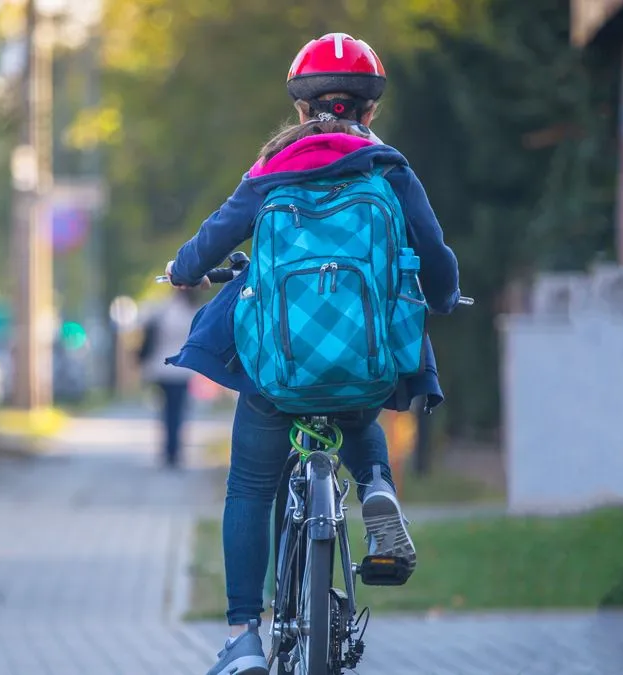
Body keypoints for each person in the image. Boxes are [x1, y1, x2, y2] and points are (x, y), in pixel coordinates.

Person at [163, 34, 460, 675]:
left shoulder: (272, 171)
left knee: (248, 486)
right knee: (363, 395)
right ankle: (376, 484)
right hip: (363, 364)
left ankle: (244, 635)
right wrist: (442, 295)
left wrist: (183, 270)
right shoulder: (389, 169)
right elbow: (435, 257)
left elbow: (207, 244)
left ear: (301, 109)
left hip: (278, 373)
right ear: (368, 111)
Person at [138, 289, 202, 468]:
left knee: (167, 412)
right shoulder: (193, 312)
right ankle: (175, 451)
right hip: (182, 369)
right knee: (179, 412)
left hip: (162, 368)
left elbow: (149, 335)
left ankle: (168, 450)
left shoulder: (163, 310)